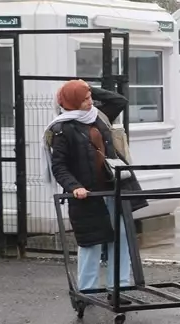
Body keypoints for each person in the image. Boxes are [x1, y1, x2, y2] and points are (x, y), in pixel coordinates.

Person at [45, 80, 148, 300]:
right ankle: (87, 292)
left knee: (120, 238)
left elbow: (119, 100)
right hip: (87, 195)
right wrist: (75, 187)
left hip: (113, 189)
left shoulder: (98, 116)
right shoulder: (62, 129)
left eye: (90, 97)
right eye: (84, 99)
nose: (90, 101)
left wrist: (87, 86)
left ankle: (118, 288)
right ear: (72, 103)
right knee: (91, 242)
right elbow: (59, 166)